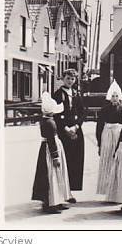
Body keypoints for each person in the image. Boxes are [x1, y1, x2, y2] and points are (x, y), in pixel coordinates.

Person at [32, 93, 74, 214]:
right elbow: (51, 140)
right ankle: (50, 203)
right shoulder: (49, 123)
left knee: (56, 175)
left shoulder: (47, 120)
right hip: (50, 151)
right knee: (52, 175)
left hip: (49, 148)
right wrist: (55, 156)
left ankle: (57, 200)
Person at [52, 69, 85, 200]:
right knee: (64, 161)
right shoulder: (57, 94)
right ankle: (61, 192)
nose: (70, 81)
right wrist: (65, 128)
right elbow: (55, 114)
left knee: (75, 161)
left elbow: (83, 112)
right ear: (63, 78)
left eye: (72, 79)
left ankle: (70, 191)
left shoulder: (76, 94)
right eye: (68, 78)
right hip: (63, 132)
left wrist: (76, 126)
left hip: (76, 131)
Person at [96, 80, 122, 195]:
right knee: (108, 160)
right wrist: (99, 143)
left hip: (119, 135)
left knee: (118, 161)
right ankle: (107, 189)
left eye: (116, 96)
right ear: (109, 97)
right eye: (112, 96)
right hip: (107, 136)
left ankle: (118, 189)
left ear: (120, 97)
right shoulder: (104, 110)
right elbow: (99, 127)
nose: (114, 98)